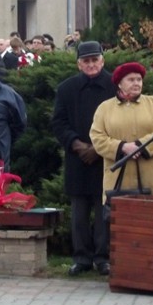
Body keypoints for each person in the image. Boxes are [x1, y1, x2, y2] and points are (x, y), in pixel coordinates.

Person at [90, 62, 153, 270]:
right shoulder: (104, 108)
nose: (137, 83)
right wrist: (122, 147)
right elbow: (97, 137)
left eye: (139, 79)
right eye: (131, 80)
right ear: (120, 83)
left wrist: (140, 146)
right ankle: (126, 268)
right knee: (124, 224)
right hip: (120, 176)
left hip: (152, 173)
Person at [51, 41, 116, 276]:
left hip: (105, 158)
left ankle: (103, 257)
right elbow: (58, 122)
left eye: (94, 60)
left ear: (102, 60)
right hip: (78, 157)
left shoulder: (114, 86)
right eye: (86, 61)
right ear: (78, 64)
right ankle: (81, 258)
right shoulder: (66, 88)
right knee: (79, 212)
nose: (91, 64)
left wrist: (98, 148)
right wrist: (77, 145)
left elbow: (120, 122)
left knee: (102, 212)